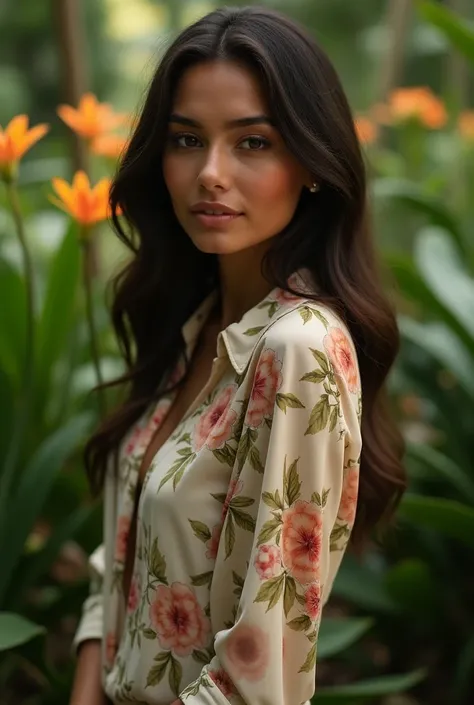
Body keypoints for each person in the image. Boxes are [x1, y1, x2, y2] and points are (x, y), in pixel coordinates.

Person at [69, 6, 406, 705]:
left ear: (312, 162)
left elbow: (261, 668)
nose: (210, 173)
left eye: (252, 143)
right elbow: (122, 566)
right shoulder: (193, 328)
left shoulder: (299, 349)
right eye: (187, 139)